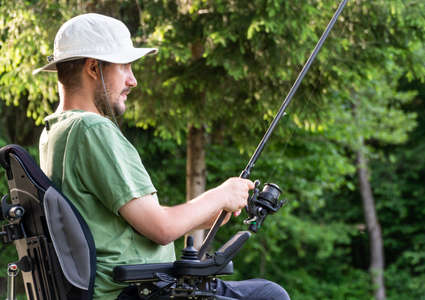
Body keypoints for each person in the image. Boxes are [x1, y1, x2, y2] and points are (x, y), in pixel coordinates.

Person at [34, 13, 290, 300]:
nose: (133, 80)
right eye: (125, 67)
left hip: (130, 287)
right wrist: (220, 194)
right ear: (93, 68)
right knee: (270, 294)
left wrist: (212, 211)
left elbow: (129, 223)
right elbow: (162, 228)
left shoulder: (54, 132)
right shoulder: (91, 129)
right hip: (136, 292)